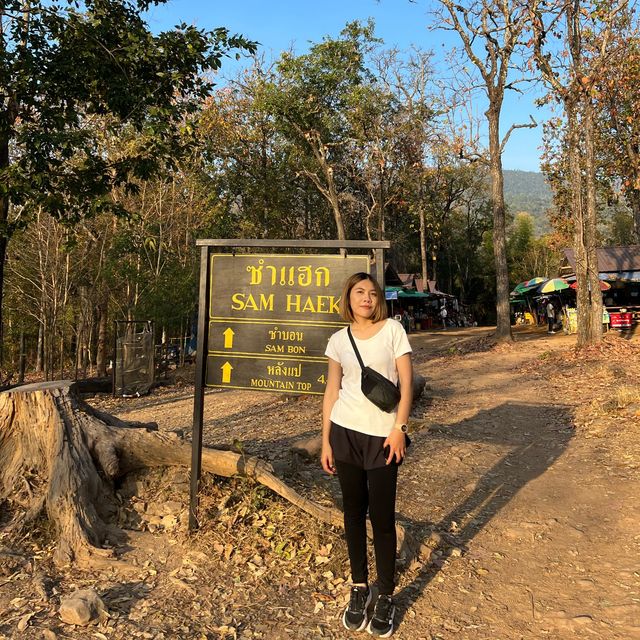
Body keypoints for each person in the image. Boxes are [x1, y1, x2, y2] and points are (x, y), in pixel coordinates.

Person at [321, 272, 413, 638]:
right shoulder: (338, 340)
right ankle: (359, 587)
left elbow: (406, 383)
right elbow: (331, 390)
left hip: (383, 437)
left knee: (383, 517)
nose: (367, 298)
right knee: (353, 514)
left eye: (372, 293)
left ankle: (387, 593)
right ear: (349, 297)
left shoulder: (393, 330)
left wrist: (400, 428)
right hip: (344, 432)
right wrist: (326, 439)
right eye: (360, 292)